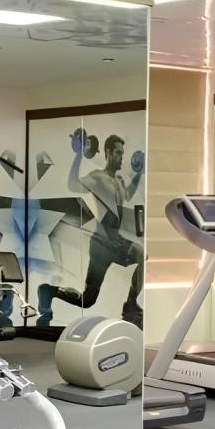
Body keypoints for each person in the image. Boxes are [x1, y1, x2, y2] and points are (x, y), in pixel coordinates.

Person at [36, 130, 144, 328]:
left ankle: (131, 304)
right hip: (101, 244)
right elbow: (73, 185)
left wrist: (138, 174)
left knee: (142, 254)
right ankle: (49, 291)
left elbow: (128, 195)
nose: (121, 158)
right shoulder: (98, 178)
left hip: (117, 242)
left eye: (122, 153)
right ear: (108, 153)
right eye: (118, 153)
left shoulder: (119, 181)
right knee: (88, 300)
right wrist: (78, 155)